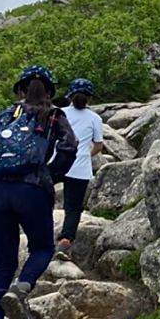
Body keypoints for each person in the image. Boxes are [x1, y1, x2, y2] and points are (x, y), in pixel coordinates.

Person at [0, 65, 77, 319]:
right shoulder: (53, 115)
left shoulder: (0, 116)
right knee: (41, 248)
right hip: (31, 189)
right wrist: (50, 176)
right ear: (49, 91)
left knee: (2, 262)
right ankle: (22, 286)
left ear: (21, 90)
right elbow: (70, 147)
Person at [57, 77, 104, 256]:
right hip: (79, 167)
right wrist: (84, 154)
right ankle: (65, 240)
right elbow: (98, 146)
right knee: (73, 207)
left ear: (69, 96)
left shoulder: (59, 113)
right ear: (90, 98)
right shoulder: (95, 118)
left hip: (57, 163)